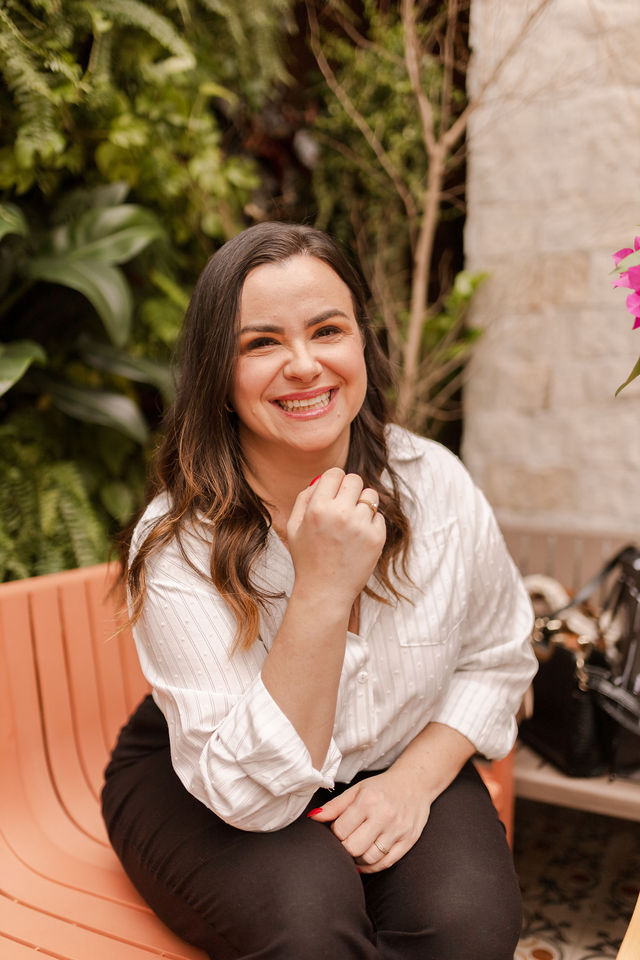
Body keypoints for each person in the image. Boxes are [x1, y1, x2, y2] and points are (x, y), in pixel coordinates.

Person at [101, 221, 537, 960]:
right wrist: (323, 590)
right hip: (219, 766)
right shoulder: (180, 540)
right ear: (218, 375)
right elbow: (249, 797)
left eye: (327, 330)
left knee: (467, 928)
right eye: (261, 343)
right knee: (310, 929)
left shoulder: (434, 482)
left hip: (396, 747)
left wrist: (410, 783)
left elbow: (496, 658)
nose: (304, 366)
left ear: (361, 342)